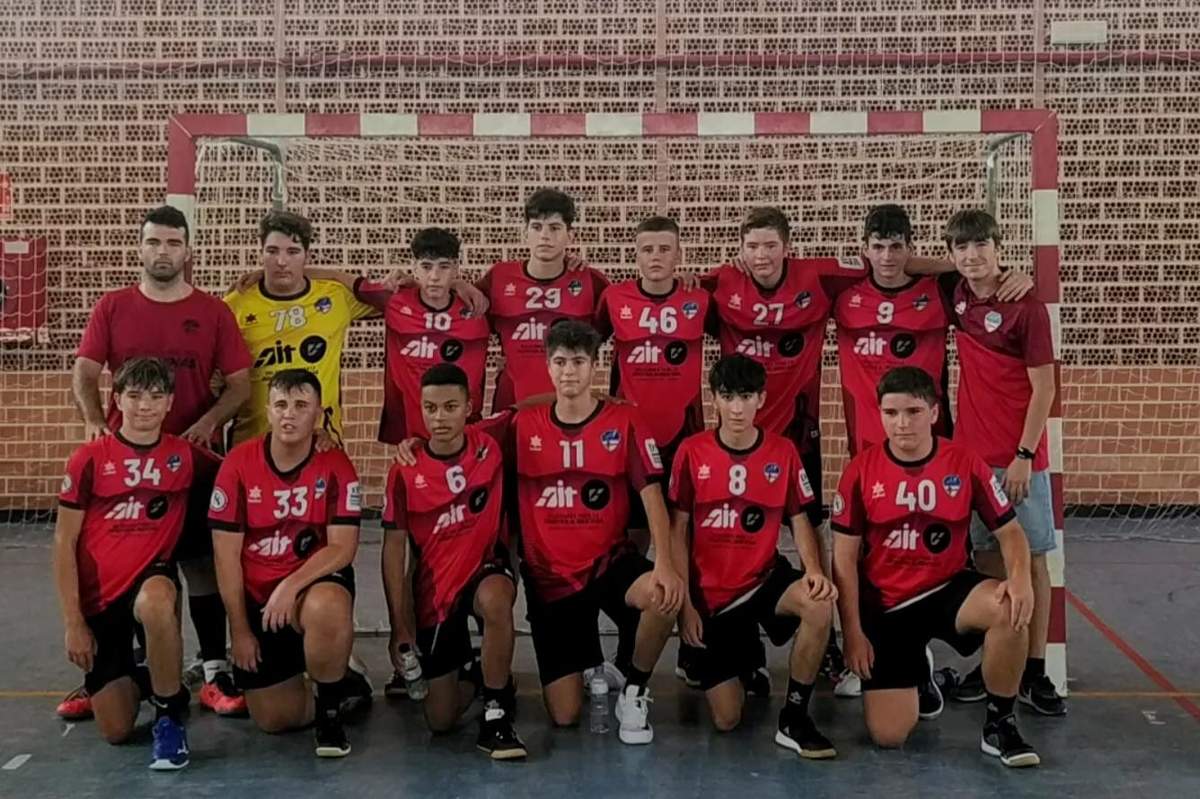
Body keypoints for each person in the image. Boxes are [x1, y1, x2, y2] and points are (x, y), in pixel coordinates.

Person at [832, 204, 1033, 709]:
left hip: (935, 451)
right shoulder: (843, 294)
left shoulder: (942, 293)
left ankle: (942, 654)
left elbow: (969, 273)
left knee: (937, 552)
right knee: (874, 555)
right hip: (870, 453)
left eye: (898, 247)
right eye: (877, 247)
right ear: (864, 249)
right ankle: (874, 647)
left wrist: (1010, 272)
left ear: (912, 248)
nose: (887, 257)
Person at [66, 205, 252, 720]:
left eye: (173, 243)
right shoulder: (113, 307)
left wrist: (211, 420)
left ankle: (214, 668)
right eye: (154, 242)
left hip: (189, 465)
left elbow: (240, 383)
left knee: (199, 563)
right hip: (123, 467)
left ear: (187, 250)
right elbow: (84, 371)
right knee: (116, 565)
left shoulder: (213, 311)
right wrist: (91, 420)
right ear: (140, 248)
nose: (163, 251)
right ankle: (117, 670)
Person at [831, 366, 1041, 767]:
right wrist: (853, 633)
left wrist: (1020, 579)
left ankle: (1000, 725)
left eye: (912, 411)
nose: (902, 423)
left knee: (1010, 608)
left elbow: (1011, 532)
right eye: (890, 413)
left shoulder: (964, 462)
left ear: (933, 411)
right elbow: (843, 559)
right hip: (888, 605)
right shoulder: (860, 470)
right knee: (889, 737)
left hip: (947, 589)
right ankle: (921, 675)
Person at [513, 320, 683, 743]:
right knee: (566, 716)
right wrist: (417, 444)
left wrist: (665, 563)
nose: (568, 371)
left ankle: (635, 690)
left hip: (610, 563)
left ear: (595, 366)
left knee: (663, 596)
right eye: (559, 362)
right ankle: (589, 662)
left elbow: (652, 495)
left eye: (578, 362)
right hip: (551, 578)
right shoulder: (520, 425)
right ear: (547, 366)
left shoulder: (624, 420)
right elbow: (458, 437)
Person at [669, 354, 838, 759]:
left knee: (818, 605)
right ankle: (743, 658)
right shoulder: (692, 452)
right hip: (713, 599)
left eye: (746, 396)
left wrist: (814, 570)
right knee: (727, 720)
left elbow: (800, 520)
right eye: (728, 397)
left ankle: (795, 717)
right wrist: (686, 605)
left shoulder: (783, 452)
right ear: (715, 400)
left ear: (761, 399)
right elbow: (677, 530)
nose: (737, 407)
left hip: (764, 581)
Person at [939, 210, 1064, 716]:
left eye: (981, 247)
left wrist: (1024, 455)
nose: (972, 257)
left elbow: (1045, 389)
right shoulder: (958, 294)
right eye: (961, 249)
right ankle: (998, 661)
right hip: (972, 457)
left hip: (1018, 462)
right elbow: (919, 266)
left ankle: (1036, 673)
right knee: (990, 563)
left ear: (998, 247)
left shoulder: (1026, 308)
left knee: (1031, 562)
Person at [209, 370, 365, 757]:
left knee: (326, 604)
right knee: (274, 720)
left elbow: (342, 549)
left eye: (301, 405)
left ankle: (330, 710)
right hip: (257, 601)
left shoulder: (336, 464)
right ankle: (343, 680)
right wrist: (240, 630)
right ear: (268, 411)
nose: (289, 415)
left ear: (319, 413)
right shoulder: (238, 465)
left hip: (305, 590)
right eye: (280, 405)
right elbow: (225, 557)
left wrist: (290, 586)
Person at [53, 357, 198, 769]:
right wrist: (73, 623)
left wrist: (317, 440)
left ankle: (169, 716)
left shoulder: (184, 457)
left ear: (170, 402)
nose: (144, 406)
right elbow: (64, 542)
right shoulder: (89, 459)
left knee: (157, 600)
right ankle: (145, 672)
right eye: (134, 396)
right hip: (101, 597)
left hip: (151, 580)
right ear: (117, 399)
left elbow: (249, 472)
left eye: (155, 396)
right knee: (116, 731)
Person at [381, 364, 526, 760]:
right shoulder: (404, 470)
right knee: (440, 721)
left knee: (497, 599)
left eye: (450, 407)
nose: (439, 418)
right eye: (430, 408)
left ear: (469, 407)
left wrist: (599, 400)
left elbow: (528, 406)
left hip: (485, 570)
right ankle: (482, 677)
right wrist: (399, 625)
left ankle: (496, 711)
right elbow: (394, 549)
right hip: (435, 591)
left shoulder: (490, 442)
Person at [223, 210, 379, 447]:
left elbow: (400, 302)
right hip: (251, 446)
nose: (281, 261)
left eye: (293, 252)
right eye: (272, 251)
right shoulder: (235, 304)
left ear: (307, 255)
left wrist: (457, 284)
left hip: (320, 443)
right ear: (261, 252)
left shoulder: (336, 296)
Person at [475, 189, 610, 410]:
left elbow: (618, 323)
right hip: (512, 407)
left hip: (572, 411)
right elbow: (454, 306)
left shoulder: (591, 281)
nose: (545, 236)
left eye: (555, 228)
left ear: (571, 235)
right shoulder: (498, 278)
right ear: (524, 233)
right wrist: (455, 284)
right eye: (537, 227)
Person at [355, 228, 491, 443]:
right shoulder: (394, 300)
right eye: (426, 267)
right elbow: (345, 283)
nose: (435, 277)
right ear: (414, 268)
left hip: (462, 434)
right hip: (410, 435)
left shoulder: (477, 307)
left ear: (456, 268)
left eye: (444, 267)